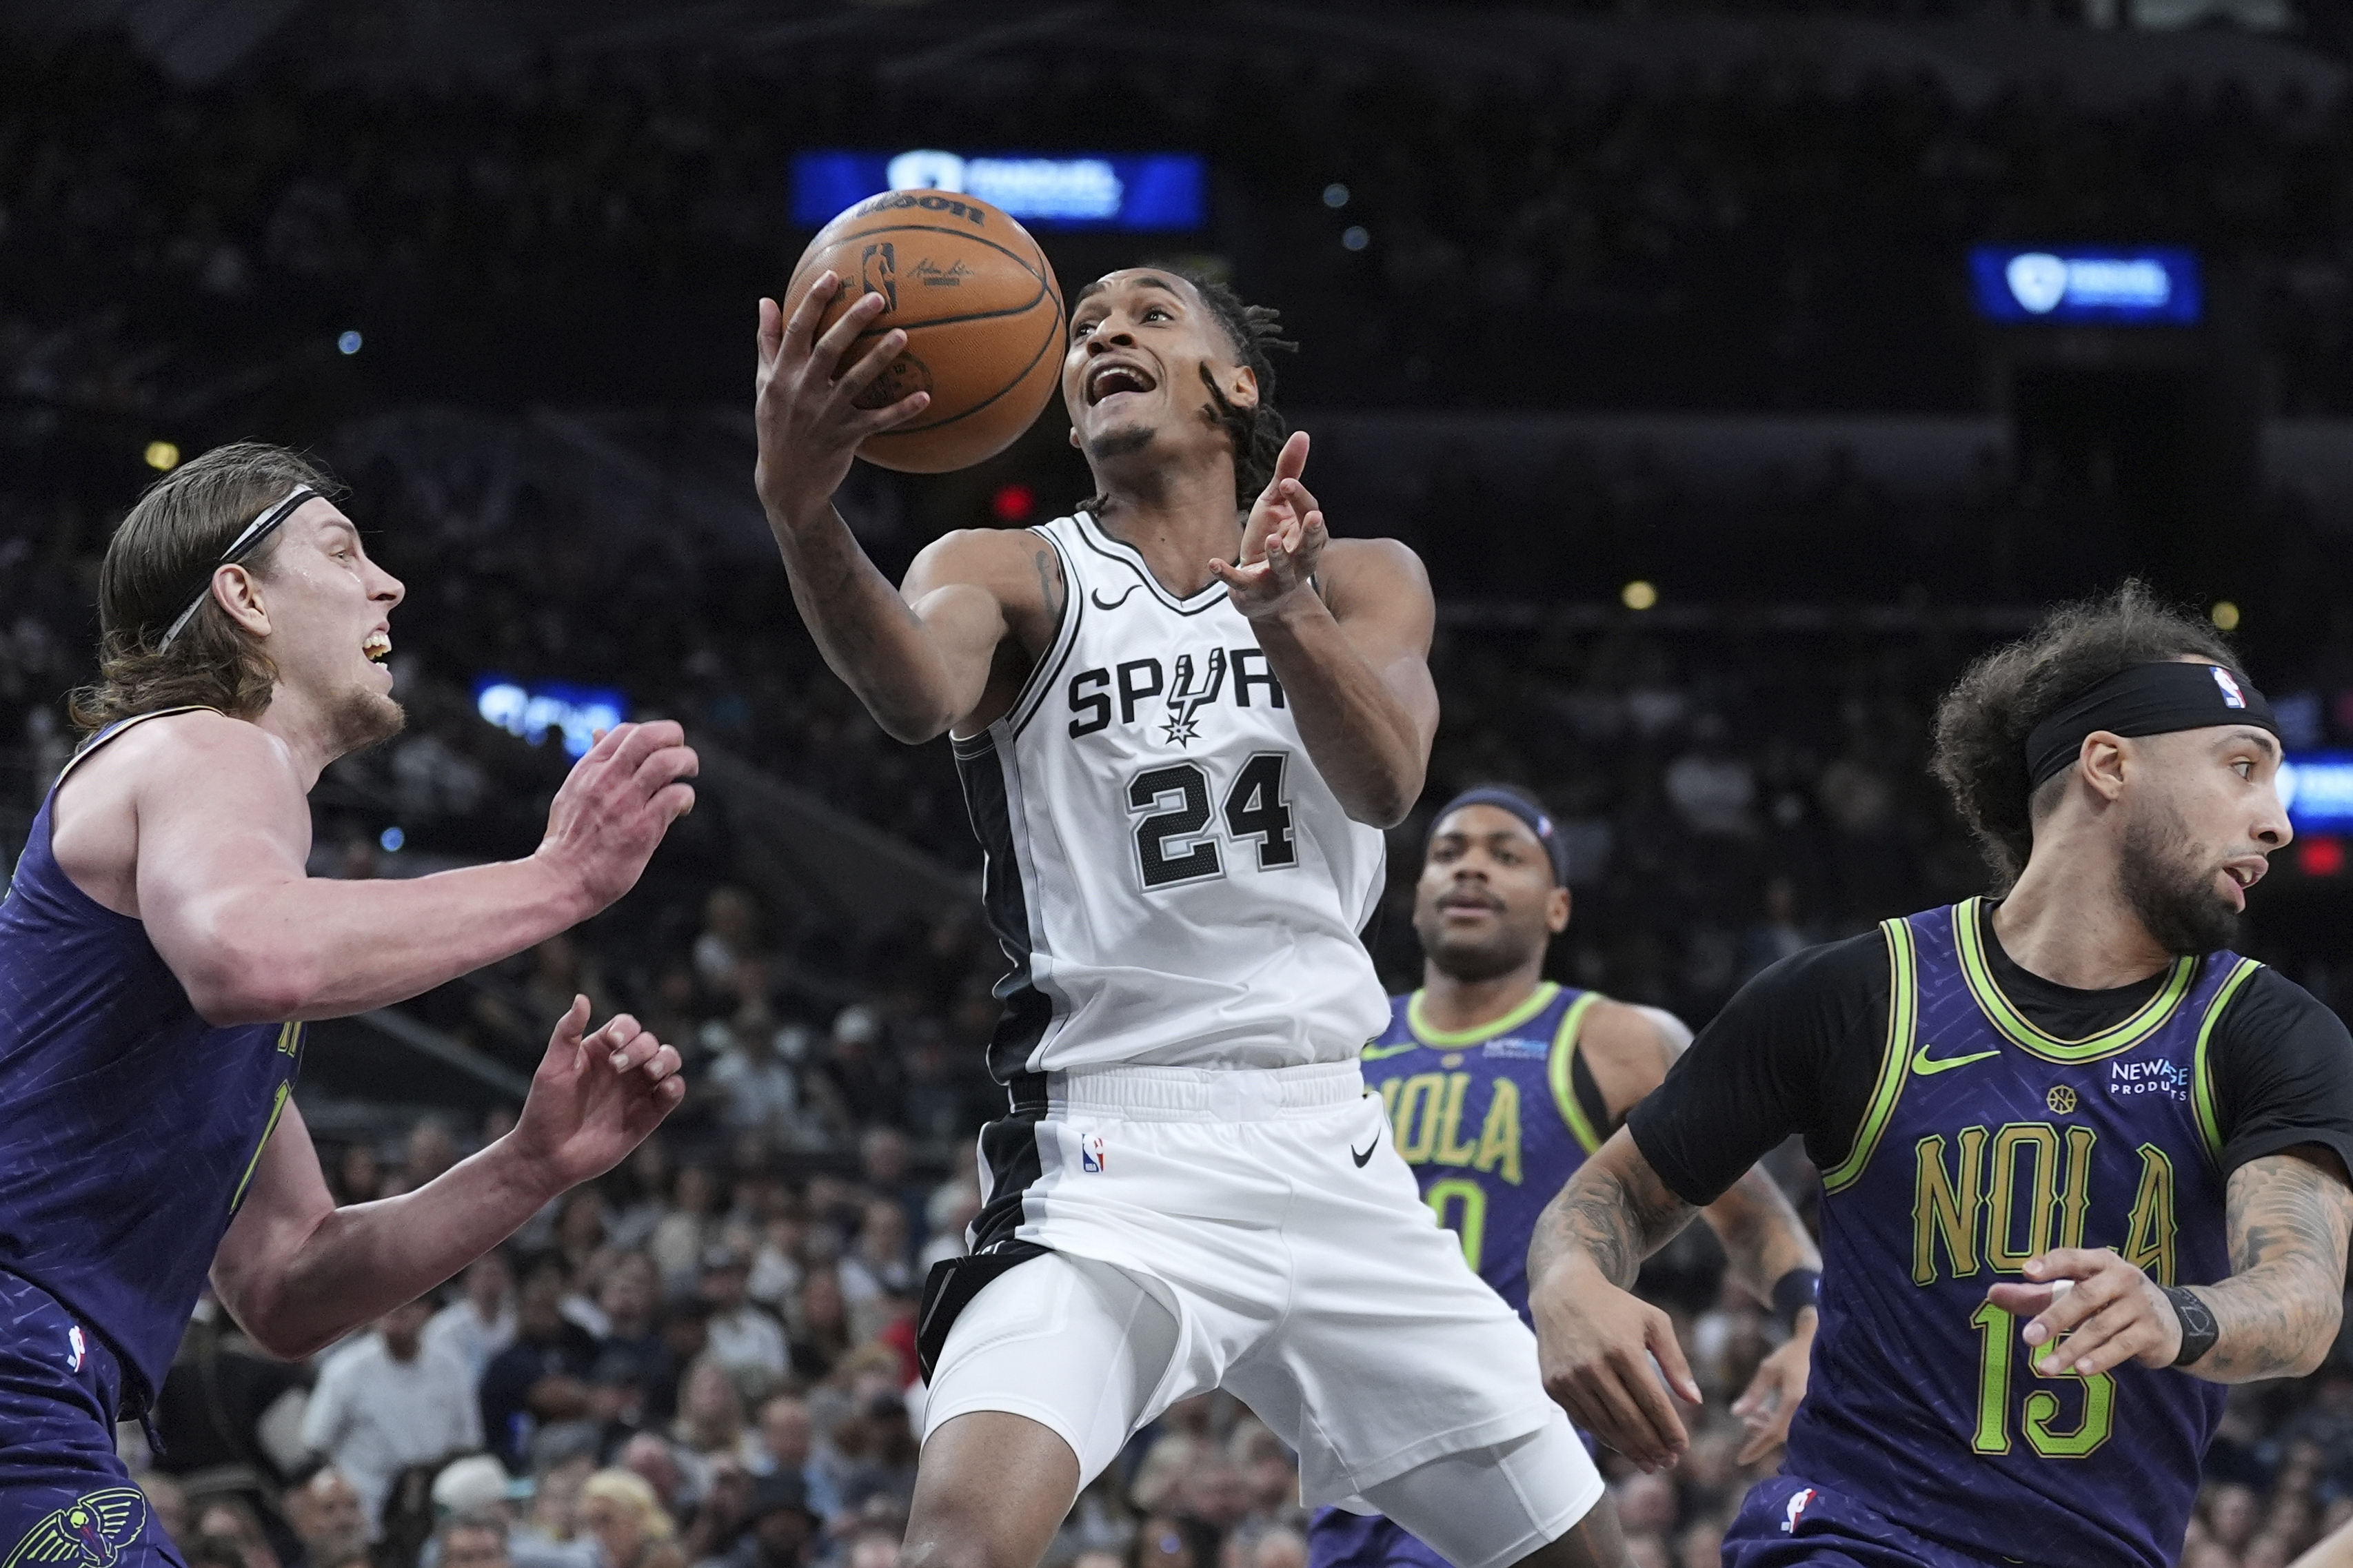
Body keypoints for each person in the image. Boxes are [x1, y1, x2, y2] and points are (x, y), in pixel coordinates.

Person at [754, 265, 1625, 1568]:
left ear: (1236, 384)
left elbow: (1384, 779)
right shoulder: (1011, 571)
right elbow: (913, 689)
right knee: (959, 1543)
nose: (1104, 331)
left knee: (1582, 1558)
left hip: (1332, 1138)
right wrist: (801, 508)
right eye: (1086, 327)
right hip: (1111, 1150)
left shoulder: (1364, 576)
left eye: (1150, 314)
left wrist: (1278, 608)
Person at [1526, 584, 2353, 1568]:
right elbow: (1616, 1190)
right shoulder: (1857, 995)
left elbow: (2300, 1298)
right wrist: (1569, 1278)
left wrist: (2175, 1311)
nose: (2274, 822)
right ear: (2108, 763)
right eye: (2241, 768)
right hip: (1854, 1538)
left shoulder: (2263, 1030)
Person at [0, 443, 694, 1562]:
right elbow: (255, 957)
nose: (390, 584)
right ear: (242, 596)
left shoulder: (198, 916)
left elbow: (286, 1287)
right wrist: (557, 880)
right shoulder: (208, 747)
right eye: (341, 551)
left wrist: (527, 1167)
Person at [1309, 786, 1821, 1568]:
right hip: (1348, 1449)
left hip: (1503, 1437)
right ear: (1414, 899)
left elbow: (1748, 1217)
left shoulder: (1615, 1039)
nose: (1469, 868)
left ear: (1556, 907)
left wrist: (1811, 1324)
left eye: (1503, 854)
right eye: (1447, 853)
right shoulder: (1340, 1042)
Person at [301, 1297, 483, 1537]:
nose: (396, 1311)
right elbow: (315, 1443)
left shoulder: (450, 1366)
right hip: (368, 1505)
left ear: (427, 1311)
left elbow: (470, 1442)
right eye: (388, 1303)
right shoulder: (344, 1369)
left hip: (436, 1500)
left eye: (408, 1303)